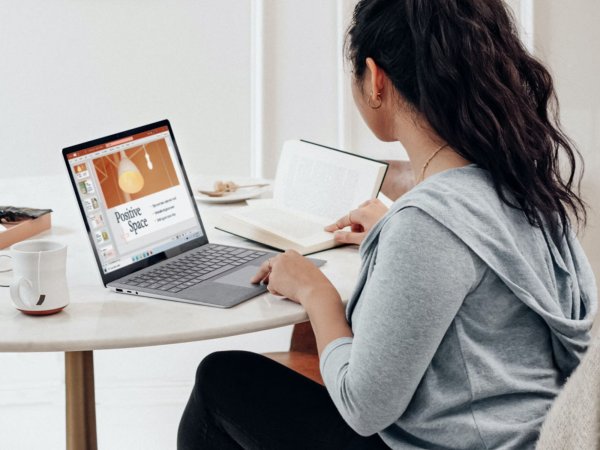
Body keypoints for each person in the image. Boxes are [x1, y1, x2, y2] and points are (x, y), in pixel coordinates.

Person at [177, 0, 598, 448]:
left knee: (220, 381)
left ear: (376, 80)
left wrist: (314, 292)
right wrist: (395, 228)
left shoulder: (427, 226)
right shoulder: (521, 186)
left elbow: (363, 407)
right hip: (531, 433)